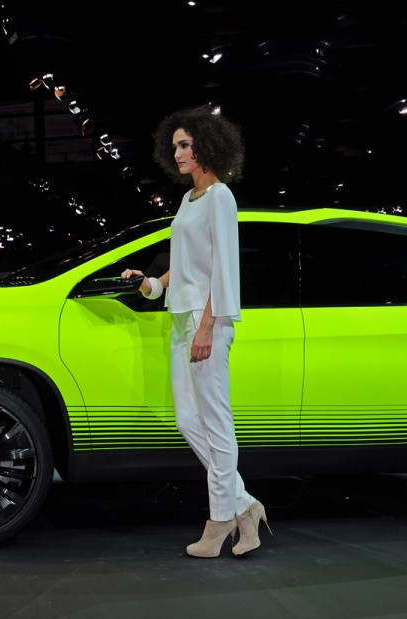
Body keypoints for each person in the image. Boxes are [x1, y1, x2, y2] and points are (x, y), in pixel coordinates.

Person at [121, 105, 270, 558]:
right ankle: (245, 508)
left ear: (207, 146)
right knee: (189, 420)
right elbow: (182, 267)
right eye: (175, 147)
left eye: (185, 145)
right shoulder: (188, 201)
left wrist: (208, 325)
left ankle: (220, 519)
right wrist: (150, 284)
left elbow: (223, 267)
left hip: (209, 321)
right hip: (181, 319)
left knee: (216, 423)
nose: (179, 152)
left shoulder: (221, 196)